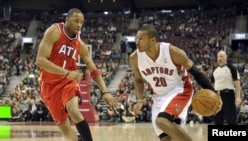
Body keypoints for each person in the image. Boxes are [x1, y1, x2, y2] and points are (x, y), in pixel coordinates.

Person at [36, 8, 118, 141]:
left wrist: (105, 91)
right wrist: (66, 72)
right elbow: (40, 60)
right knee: (68, 133)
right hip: (49, 86)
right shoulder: (54, 31)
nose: (79, 25)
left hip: (68, 82)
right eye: (76, 21)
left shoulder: (80, 44)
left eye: (81, 22)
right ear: (67, 19)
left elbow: (93, 69)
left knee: (73, 110)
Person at [129, 24, 216, 141]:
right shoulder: (134, 58)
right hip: (158, 97)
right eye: (136, 38)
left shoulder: (172, 52)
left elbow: (197, 73)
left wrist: (214, 93)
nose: (137, 42)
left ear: (152, 40)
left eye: (141, 39)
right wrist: (139, 100)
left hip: (180, 90)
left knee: (162, 121)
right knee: (165, 138)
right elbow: (138, 80)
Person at [211, 50, 242, 125]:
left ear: (226, 57)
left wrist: (238, 97)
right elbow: (212, 84)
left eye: (222, 56)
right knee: (217, 119)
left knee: (231, 119)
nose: (219, 58)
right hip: (217, 96)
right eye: (218, 56)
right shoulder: (214, 70)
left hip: (228, 94)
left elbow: (237, 84)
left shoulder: (231, 68)